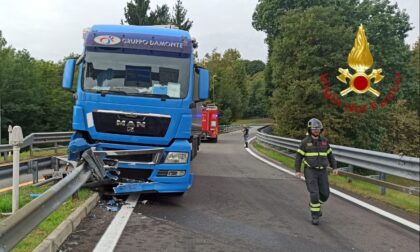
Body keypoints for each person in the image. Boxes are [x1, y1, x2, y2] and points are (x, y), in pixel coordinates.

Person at [294, 118, 338, 225]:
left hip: (322, 171)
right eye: (314, 129)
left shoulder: (324, 141)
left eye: (318, 129)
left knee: (325, 194)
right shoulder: (305, 142)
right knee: (314, 193)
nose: (316, 130)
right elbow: (299, 157)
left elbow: (330, 155)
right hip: (310, 171)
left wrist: (334, 167)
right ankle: (315, 215)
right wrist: (298, 170)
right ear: (310, 129)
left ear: (321, 130)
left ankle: (315, 205)